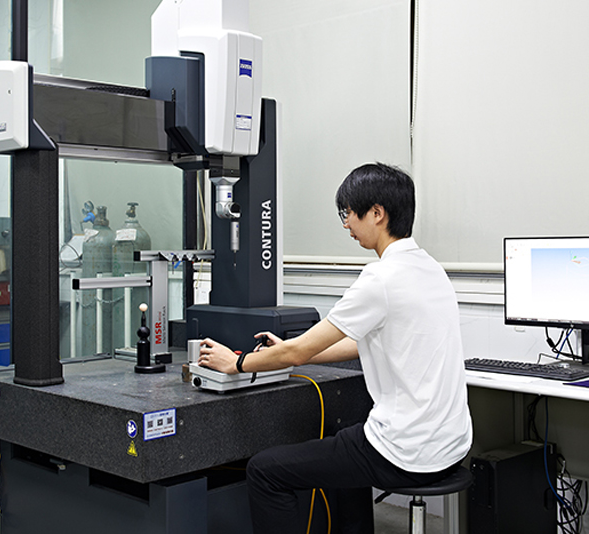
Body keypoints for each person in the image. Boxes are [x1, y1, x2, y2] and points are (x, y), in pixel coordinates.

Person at [198, 162, 473, 533]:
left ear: (377, 214)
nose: (346, 224)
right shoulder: (429, 269)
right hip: (452, 445)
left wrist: (237, 363)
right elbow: (362, 342)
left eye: (349, 213)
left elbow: (298, 354)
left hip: (407, 452)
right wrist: (290, 349)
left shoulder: (381, 278)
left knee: (265, 471)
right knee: (345, 451)